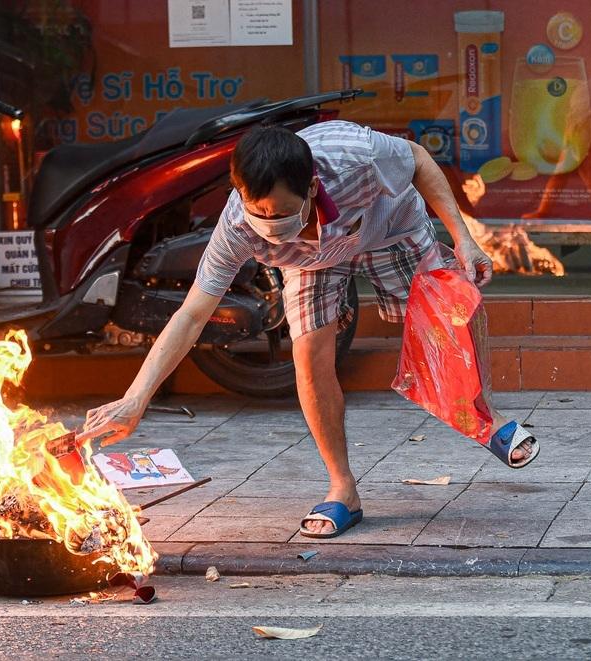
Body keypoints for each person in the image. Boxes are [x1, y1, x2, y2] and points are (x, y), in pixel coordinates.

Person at [76, 120, 539, 539]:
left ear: (314, 186)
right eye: (259, 212)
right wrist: (135, 399)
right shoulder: (238, 226)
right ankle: (343, 488)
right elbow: (192, 315)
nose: (270, 226)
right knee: (310, 360)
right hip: (311, 263)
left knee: (442, 323)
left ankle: (487, 420)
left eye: (281, 213)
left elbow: (418, 160)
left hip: (388, 224)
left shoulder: (355, 154)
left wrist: (463, 238)